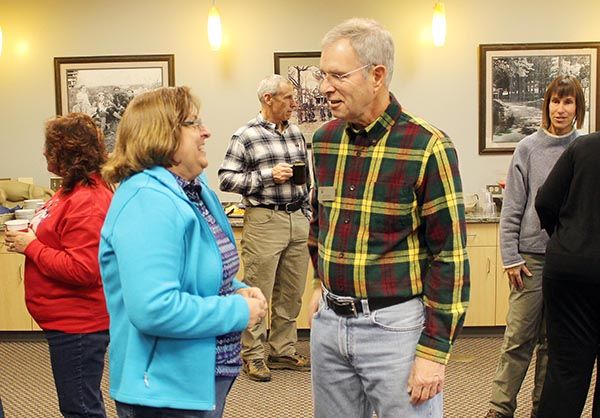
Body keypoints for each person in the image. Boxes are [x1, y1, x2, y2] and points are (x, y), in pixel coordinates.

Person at [307, 18, 469, 418]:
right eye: (322, 75)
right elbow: (320, 221)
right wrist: (319, 282)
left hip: (395, 330)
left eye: (338, 75)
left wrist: (434, 352)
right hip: (329, 326)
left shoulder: (427, 147)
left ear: (377, 75)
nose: (325, 87)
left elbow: (450, 257)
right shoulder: (324, 140)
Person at [99, 86, 268, 417]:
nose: (206, 131)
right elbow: (154, 309)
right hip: (163, 392)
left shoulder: (194, 189)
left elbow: (201, 271)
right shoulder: (147, 200)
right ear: (161, 136)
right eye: (194, 123)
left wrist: (236, 289)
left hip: (199, 379)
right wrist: (237, 311)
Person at [485, 75, 585, 418]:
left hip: (567, 261)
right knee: (517, 340)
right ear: (547, 105)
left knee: (552, 344)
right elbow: (513, 207)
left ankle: (542, 409)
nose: (561, 109)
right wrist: (510, 258)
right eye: (556, 101)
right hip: (530, 260)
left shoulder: (584, 149)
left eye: (568, 102)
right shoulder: (528, 148)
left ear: (578, 107)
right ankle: (500, 409)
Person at [4, 113, 113, 417]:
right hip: (65, 321)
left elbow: (84, 269)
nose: (43, 153)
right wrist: (33, 239)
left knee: (80, 409)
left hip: (79, 324)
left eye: (49, 146)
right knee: (81, 403)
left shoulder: (88, 199)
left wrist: (32, 247)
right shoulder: (71, 190)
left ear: (66, 151)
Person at [218, 74, 311, 382]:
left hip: (297, 218)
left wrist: (307, 212)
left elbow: (306, 178)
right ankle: (253, 355)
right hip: (264, 219)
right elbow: (226, 179)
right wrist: (268, 175)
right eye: (287, 98)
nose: (294, 103)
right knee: (258, 290)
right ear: (268, 99)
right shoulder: (246, 135)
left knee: (292, 292)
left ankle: (282, 350)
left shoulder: (296, 133)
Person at [534, 130, 600, 418]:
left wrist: (565, 238)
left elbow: (545, 201)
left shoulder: (583, 146)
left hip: (569, 270)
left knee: (565, 370)